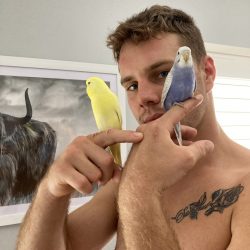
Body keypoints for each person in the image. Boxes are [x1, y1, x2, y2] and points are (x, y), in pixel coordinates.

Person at [17, 5, 250, 250]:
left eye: (162, 73)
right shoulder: (133, 176)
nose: (144, 97)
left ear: (208, 73)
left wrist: (140, 192)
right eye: (132, 86)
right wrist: (51, 191)